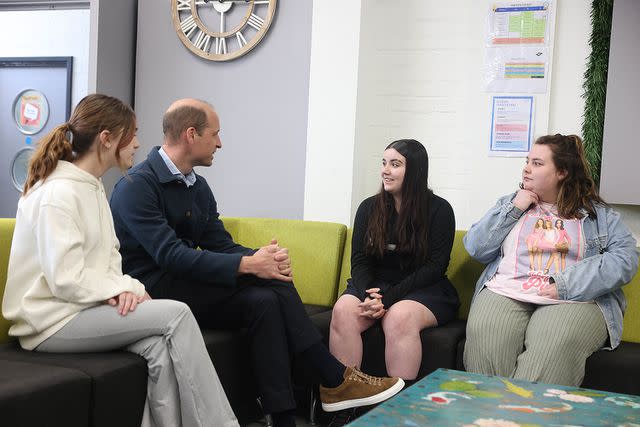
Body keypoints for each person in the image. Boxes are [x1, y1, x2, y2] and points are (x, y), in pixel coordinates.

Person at [109, 98, 404, 427]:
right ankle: (333, 377)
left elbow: (219, 243)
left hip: (190, 283)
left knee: (265, 298)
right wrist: (250, 266)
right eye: (215, 134)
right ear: (191, 135)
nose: (220, 143)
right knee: (266, 283)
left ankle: (283, 417)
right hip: (153, 293)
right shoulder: (136, 186)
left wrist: (264, 258)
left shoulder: (197, 185)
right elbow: (170, 255)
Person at [1, 94, 239, 427]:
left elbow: (111, 259)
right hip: (50, 322)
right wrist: (124, 289)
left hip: (83, 309)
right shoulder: (57, 194)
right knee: (177, 313)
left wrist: (125, 286)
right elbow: (66, 279)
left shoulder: (92, 187)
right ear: (107, 139)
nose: (139, 143)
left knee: (158, 347)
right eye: (133, 133)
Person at [463, 133, 638, 386]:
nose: (526, 168)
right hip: (507, 290)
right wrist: (514, 208)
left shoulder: (598, 216)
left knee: (554, 344)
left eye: (537, 163)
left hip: (573, 298)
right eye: (527, 161)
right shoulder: (511, 203)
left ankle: (527, 419)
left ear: (562, 172)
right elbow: (476, 248)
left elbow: (625, 259)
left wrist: (566, 285)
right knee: (486, 336)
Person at [329, 139, 460, 383]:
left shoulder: (440, 210)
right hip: (376, 285)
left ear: (415, 170)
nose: (385, 170)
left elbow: (434, 267)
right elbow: (359, 260)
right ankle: (347, 401)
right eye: (384, 163)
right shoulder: (368, 208)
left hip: (424, 288)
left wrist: (387, 301)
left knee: (398, 317)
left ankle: (398, 409)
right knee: (343, 311)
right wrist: (370, 296)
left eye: (395, 164)